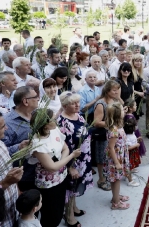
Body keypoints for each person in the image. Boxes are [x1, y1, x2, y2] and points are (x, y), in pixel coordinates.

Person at [28, 108, 81, 227]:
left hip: (61, 177)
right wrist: (72, 156)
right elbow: (51, 167)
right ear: (45, 126)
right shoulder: (37, 143)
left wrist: (61, 163)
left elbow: (65, 147)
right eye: (52, 119)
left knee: (59, 209)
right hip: (48, 185)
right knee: (50, 215)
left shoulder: (54, 130)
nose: (56, 120)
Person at [57, 91, 93, 227]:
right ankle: (69, 216)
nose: (78, 105)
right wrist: (70, 167)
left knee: (76, 186)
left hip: (82, 158)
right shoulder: (62, 122)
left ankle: (74, 208)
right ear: (65, 106)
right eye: (73, 103)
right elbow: (62, 147)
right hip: (72, 160)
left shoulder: (78, 115)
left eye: (78, 102)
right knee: (70, 187)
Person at [0, 111, 24, 227]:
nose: (6, 128)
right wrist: (6, 183)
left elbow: (10, 172)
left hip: (14, 212)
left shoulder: (1, 145)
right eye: (3, 127)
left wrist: (18, 192)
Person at [93, 80, 120, 191]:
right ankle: (101, 180)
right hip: (103, 134)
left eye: (117, 90)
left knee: (110, 156)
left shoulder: (114, 100)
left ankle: (109, 177)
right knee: (101, 158)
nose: (116, 92)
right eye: (114, 90)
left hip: (112, 134)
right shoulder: (101, 103)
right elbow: (96, 122)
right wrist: (113, 123)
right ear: (107, 90)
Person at [105, 102, 133, 210]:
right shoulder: (114, 131)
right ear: (117, 114)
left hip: (119, 156)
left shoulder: (117, 126)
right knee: (116, 179)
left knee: (116, 179)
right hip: (116, 158)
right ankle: (116, 203)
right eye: (122, 110)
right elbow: (111, 147)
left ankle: (115, 196)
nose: (124, 111)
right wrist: (116, 162)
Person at [131, 54, 145, 118]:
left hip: (139, 96)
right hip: (134, 96)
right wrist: (138, 93)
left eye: (140, 61)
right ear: (133, 62)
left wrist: (142, 89)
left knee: (137, 115)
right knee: (133, 116)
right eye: (136, 61)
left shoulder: (138, 71)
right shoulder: (131, 72)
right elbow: (129, 88)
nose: (138, 63)